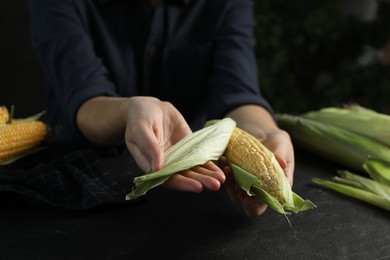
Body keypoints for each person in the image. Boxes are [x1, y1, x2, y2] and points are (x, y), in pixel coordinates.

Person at [27, 0, 294, 217]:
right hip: (71, 183)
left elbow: (237, 90)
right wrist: (130, 111)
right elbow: (83, 96)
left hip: (188, 196)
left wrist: (264, 133)